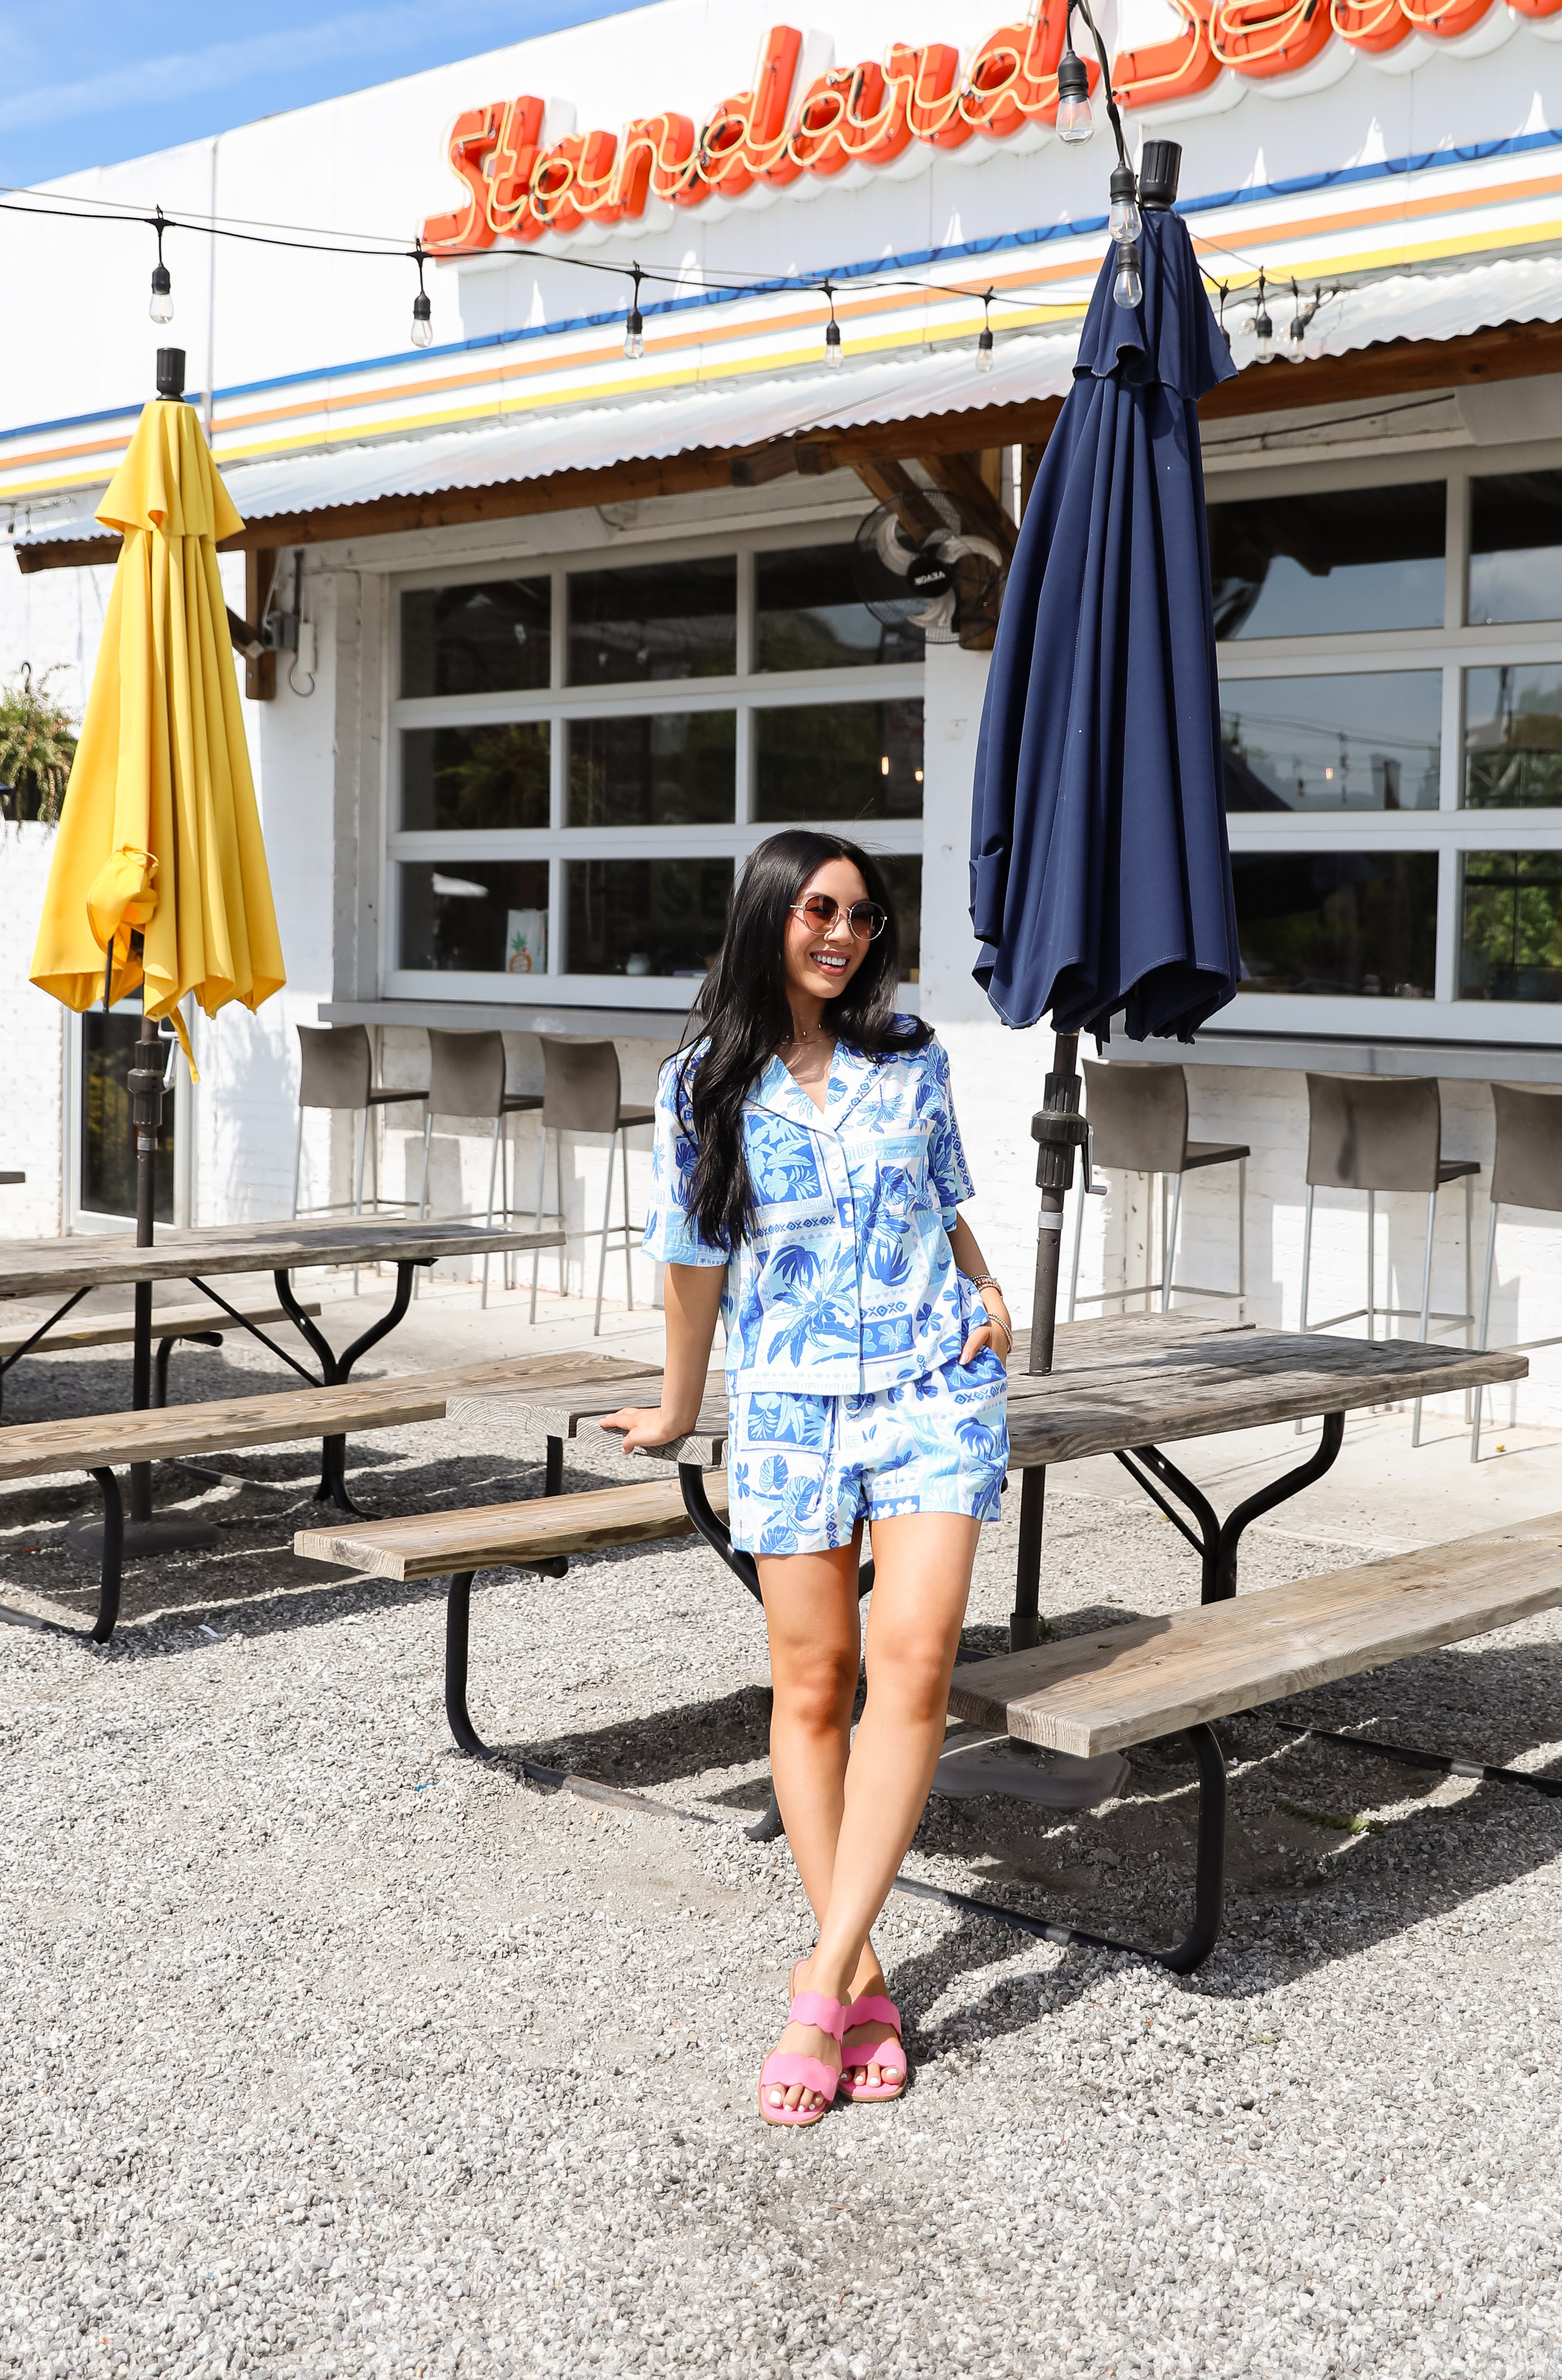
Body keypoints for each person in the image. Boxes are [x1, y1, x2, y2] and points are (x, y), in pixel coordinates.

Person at [602, 829, 1012, 2127]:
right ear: (770, 914)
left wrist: (989, 1285)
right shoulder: (698, 1085)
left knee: (918, 1659)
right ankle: (869, 1975)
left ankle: (815, 1984)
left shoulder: (914, 1059)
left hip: (932, 1387)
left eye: (862, 915)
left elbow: (944, 1198)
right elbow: (692, 1258)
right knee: (813, 1681)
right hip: (785, 1406)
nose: (844, 932)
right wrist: (679, 1402)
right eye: (819, 909)